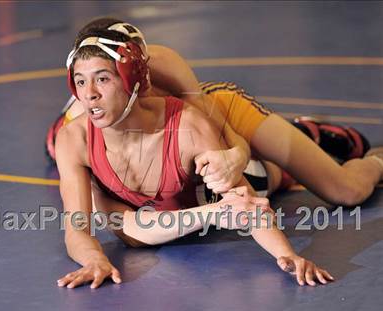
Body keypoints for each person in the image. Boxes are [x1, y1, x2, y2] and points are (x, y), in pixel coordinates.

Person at [54, 20, 337, 290]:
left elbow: (245, 203)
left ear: (133, 80)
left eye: (102, 79)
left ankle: (317, 138)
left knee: (332, 188)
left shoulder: (188, 120)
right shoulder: (73, 137)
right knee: (124, 226)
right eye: (80, 82)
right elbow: (81, 228)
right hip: (181, 210)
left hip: (219, 136)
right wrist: (94, 260)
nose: (89, 94)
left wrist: (287, 256)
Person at [47, 17, 383, 206]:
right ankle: (302, 136)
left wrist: (236, 154)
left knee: (345, 191)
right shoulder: (81, 118)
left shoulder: (161, 64)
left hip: (215, 112)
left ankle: (364, 155)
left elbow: (218, 127)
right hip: (172, 144)